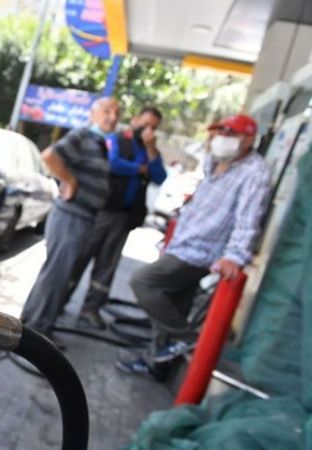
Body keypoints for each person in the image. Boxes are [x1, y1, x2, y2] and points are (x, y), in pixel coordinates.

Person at [118, 114, 271, 379]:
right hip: (183, 244)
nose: (220, 139)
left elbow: (248, 220)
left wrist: (235, 256)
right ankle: (157, 365)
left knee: (144, 282)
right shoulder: (217, 162)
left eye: (228, 134)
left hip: (200, 253)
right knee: (172, 305)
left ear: (248, 139)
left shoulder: (254, 172)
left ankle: (187, 338)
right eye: (218, 133)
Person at [20, 97, 121, 349]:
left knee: (55, 273)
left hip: (83, 217)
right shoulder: (83, 135)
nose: (112, 117)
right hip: (72, 216)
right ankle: (38, 332)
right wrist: (70, 181)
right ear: (93, 114)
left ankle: (29, 324)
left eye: (117, 113)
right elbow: (49, 156)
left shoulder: (98, 142)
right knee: (58, 275)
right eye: (107, 111)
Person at [64, 107, 168, 329]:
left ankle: (91, 308)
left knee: (107, 265)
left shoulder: (149, 150)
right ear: (135, 120)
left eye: (153, 127)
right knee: (79, 258)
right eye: (145, 124)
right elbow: (113, 163)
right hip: (102, 212)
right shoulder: (116, 140)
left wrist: (151, 150)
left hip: (124, 217)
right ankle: (57, 301)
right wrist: (140, 169)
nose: (148, 130)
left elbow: (160, 176)